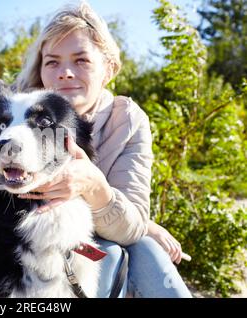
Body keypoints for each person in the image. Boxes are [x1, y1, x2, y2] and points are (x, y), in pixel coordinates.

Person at [15, 2, 192, 298]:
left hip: (104, 236)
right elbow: (0, 203)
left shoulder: (128, 120)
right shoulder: (16, 113)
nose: (66, 73)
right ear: (41, 69)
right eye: (53, 62)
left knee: (143, 246)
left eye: (81, 60)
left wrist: (94, 185)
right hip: (33, 249)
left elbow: (131, 226)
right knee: (108, 252)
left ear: (108, 69)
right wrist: (144, 226)